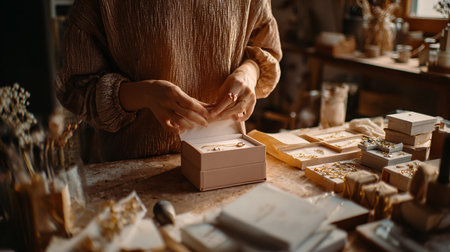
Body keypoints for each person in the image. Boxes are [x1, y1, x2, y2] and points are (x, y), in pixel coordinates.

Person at [56, 0, 282, 163]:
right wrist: (146, 94)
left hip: (225, 161)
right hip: (133, 173)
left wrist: (248, 73)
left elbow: (266, 49)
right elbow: (76, 88)